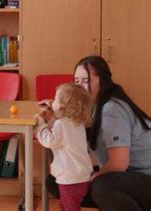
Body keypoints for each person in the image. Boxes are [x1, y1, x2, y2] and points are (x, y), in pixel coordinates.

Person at [43, 55, 151, 210]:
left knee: (101, 186)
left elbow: (119, 164)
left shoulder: (112, 109)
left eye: (86, 81)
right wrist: (56, 112)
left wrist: (95, 177)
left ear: (103, 81)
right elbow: (69, 138)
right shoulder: (92, 107)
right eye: (77, 81)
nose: (80, 87)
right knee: (59, 181)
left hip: (144, 176)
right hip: (127, 175)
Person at [36, 83, 93, 211]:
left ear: (62, 106)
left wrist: (40, 125)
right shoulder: (77, 123)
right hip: (81, 176)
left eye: (55, 99)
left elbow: (50, 141)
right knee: (67, 205)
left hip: (70, 179)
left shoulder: (62, 124)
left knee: (69, 207)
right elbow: (61, 136)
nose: (52, 101)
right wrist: (51, 117)